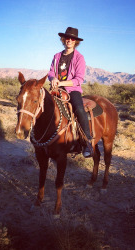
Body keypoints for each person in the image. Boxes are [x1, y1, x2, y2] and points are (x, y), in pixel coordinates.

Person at [48, 27, 93, 158]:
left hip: (72, 90)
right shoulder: (57, 56)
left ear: (75, 41)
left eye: (72, 38)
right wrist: (53, 78)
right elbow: (51, 72)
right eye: (67, 38)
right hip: (56, 90)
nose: (69, 40)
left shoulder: (79, 58)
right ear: (63, 39)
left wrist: (61, 83)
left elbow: (79, 79)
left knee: (79, 109)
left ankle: (86, 142)